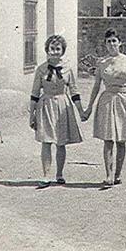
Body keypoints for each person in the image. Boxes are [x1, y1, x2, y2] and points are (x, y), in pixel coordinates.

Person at [83, 28, 126, 187]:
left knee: (121, 140)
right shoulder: (102, 63)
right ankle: (109, 175)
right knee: (108, 140)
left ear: (119, 43)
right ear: (105, 44)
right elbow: (96, 86)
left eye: (114, 41)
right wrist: (89, 107)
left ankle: (118, 174)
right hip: (107, 101)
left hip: (124, 100)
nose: (111, 44)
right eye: (108, 41)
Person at [29, 35, 84, 187]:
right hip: (46, 106)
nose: (55, 52)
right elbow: (34, 93)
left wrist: (81, 111)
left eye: (58, 49)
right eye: (52, 49)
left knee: (61, 143)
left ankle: (59, 174)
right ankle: (46, 175)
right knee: (46, 142)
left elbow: (74, 90)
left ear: (62, 51)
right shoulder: (41, 69)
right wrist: (32, 114)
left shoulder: (68, 68)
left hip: (62, 106)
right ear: (47, 50)